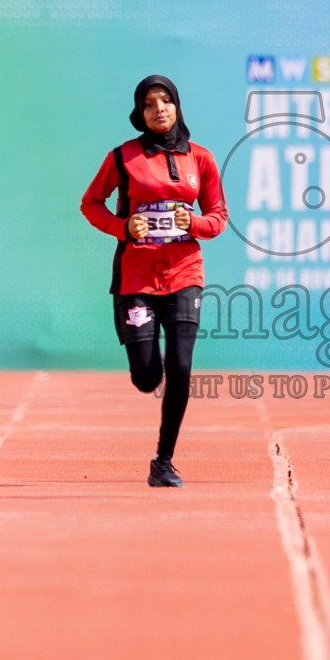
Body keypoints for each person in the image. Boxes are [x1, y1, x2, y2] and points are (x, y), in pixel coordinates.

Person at [81, 77, 227, 488]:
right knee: (147, 378)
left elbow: (218, 215)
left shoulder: (201, 159)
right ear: (139, 113)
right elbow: (90, 203)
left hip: (184, 273)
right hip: (137, 277)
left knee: (180, 368)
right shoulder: (122, 158)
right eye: (149, 104)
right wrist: (124, 227)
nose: (158, 109)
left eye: (165, 101)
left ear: (177, 106)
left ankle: (163, 461)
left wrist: (193, 223)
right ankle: (144, 357)